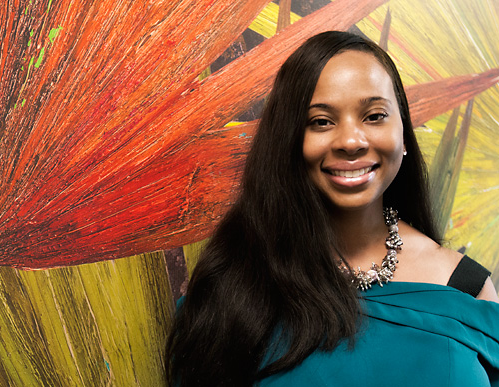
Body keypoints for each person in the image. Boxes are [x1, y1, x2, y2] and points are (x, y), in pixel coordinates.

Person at [165, 31, 499, 386]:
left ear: (404, 135)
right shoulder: (234, 285)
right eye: (321, 121)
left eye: (374, 116)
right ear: (289, 142)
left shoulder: (466, 288)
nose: (351, 141)